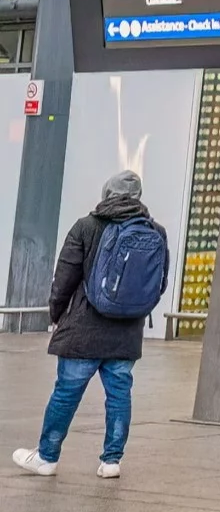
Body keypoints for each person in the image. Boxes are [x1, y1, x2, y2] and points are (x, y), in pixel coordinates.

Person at [12, 170, 165, 479]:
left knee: (66, 393)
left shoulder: (86, 226)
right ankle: (111, 461)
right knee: (119, 394)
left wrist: (56, 315)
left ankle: (47, 457)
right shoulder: (155, 232)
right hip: (126, 334)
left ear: (106, 193)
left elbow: (64, 279)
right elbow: (158, 284)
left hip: (83, 330)